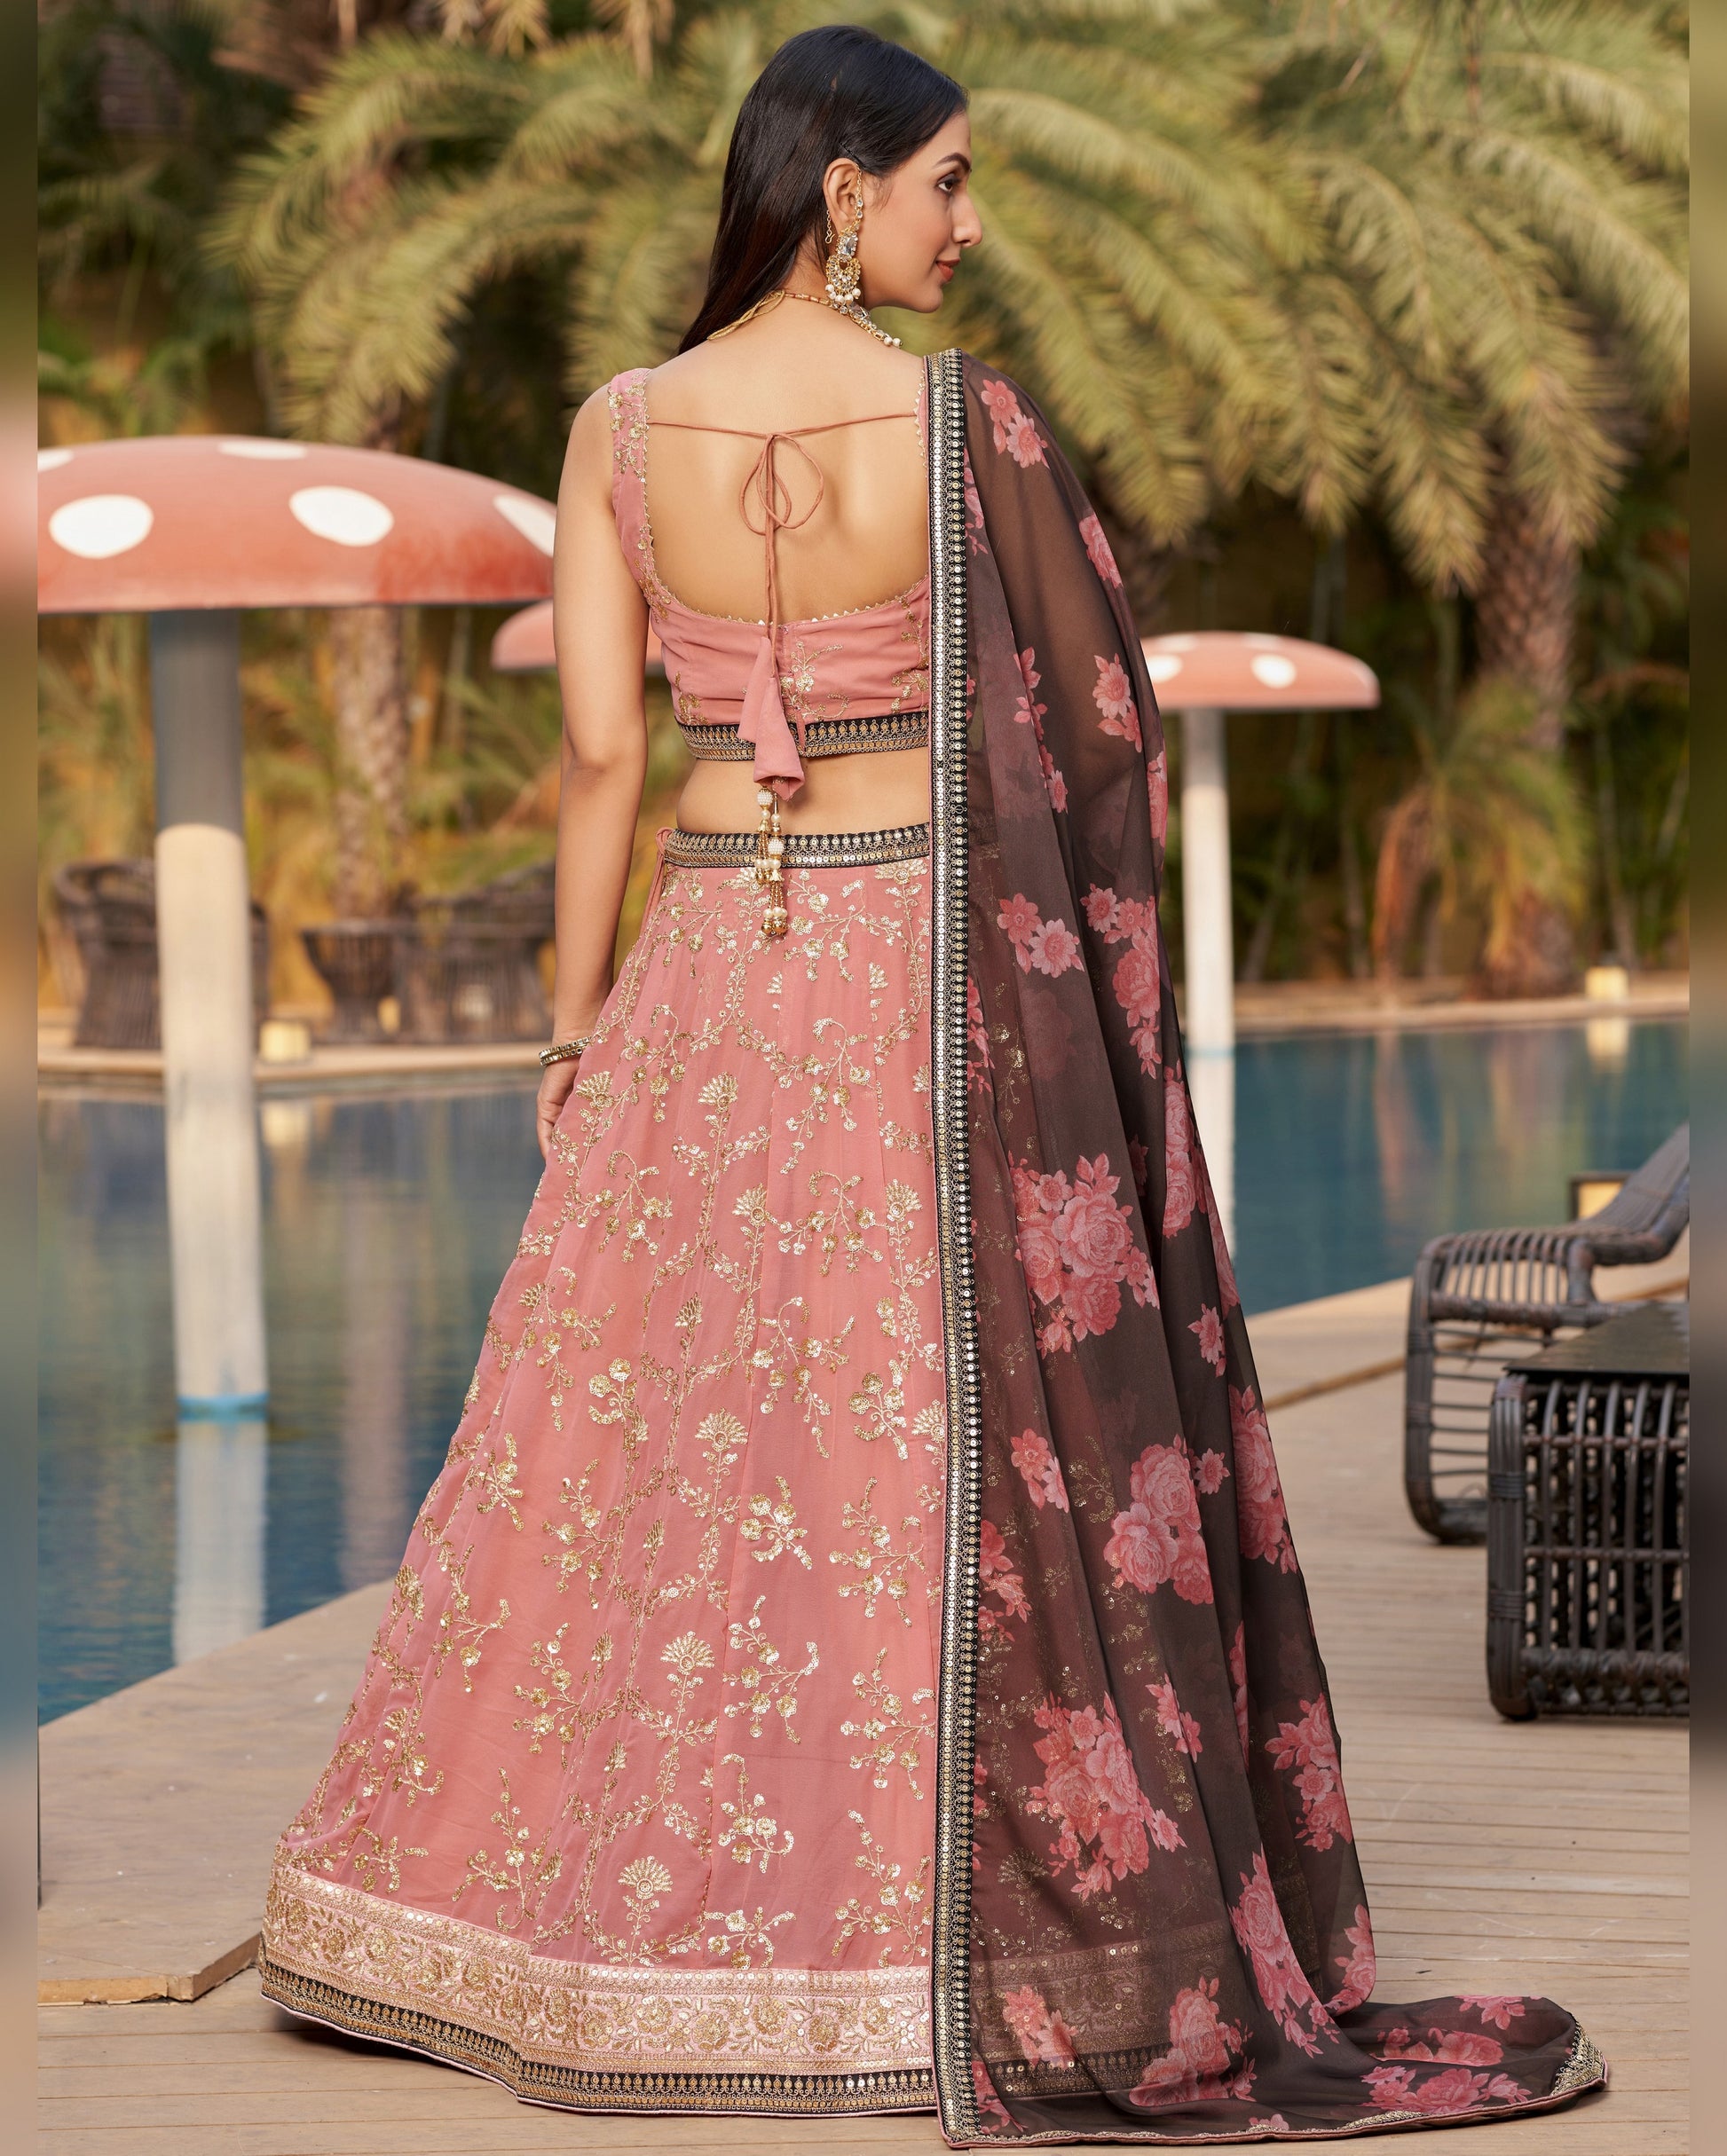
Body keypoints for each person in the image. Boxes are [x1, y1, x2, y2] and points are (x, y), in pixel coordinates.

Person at [259, 25, 1604, 2144]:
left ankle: (559, 1936)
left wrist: (569, 1030)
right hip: (928, 979)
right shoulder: (957, 422)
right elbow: (1091, 738)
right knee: (940, 1429)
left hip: (712, 961)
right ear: (840, 190)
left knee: (668, 1432)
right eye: (950, 183)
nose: (972, 225)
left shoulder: (621, 426)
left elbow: (602, 761)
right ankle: (919, 1947)